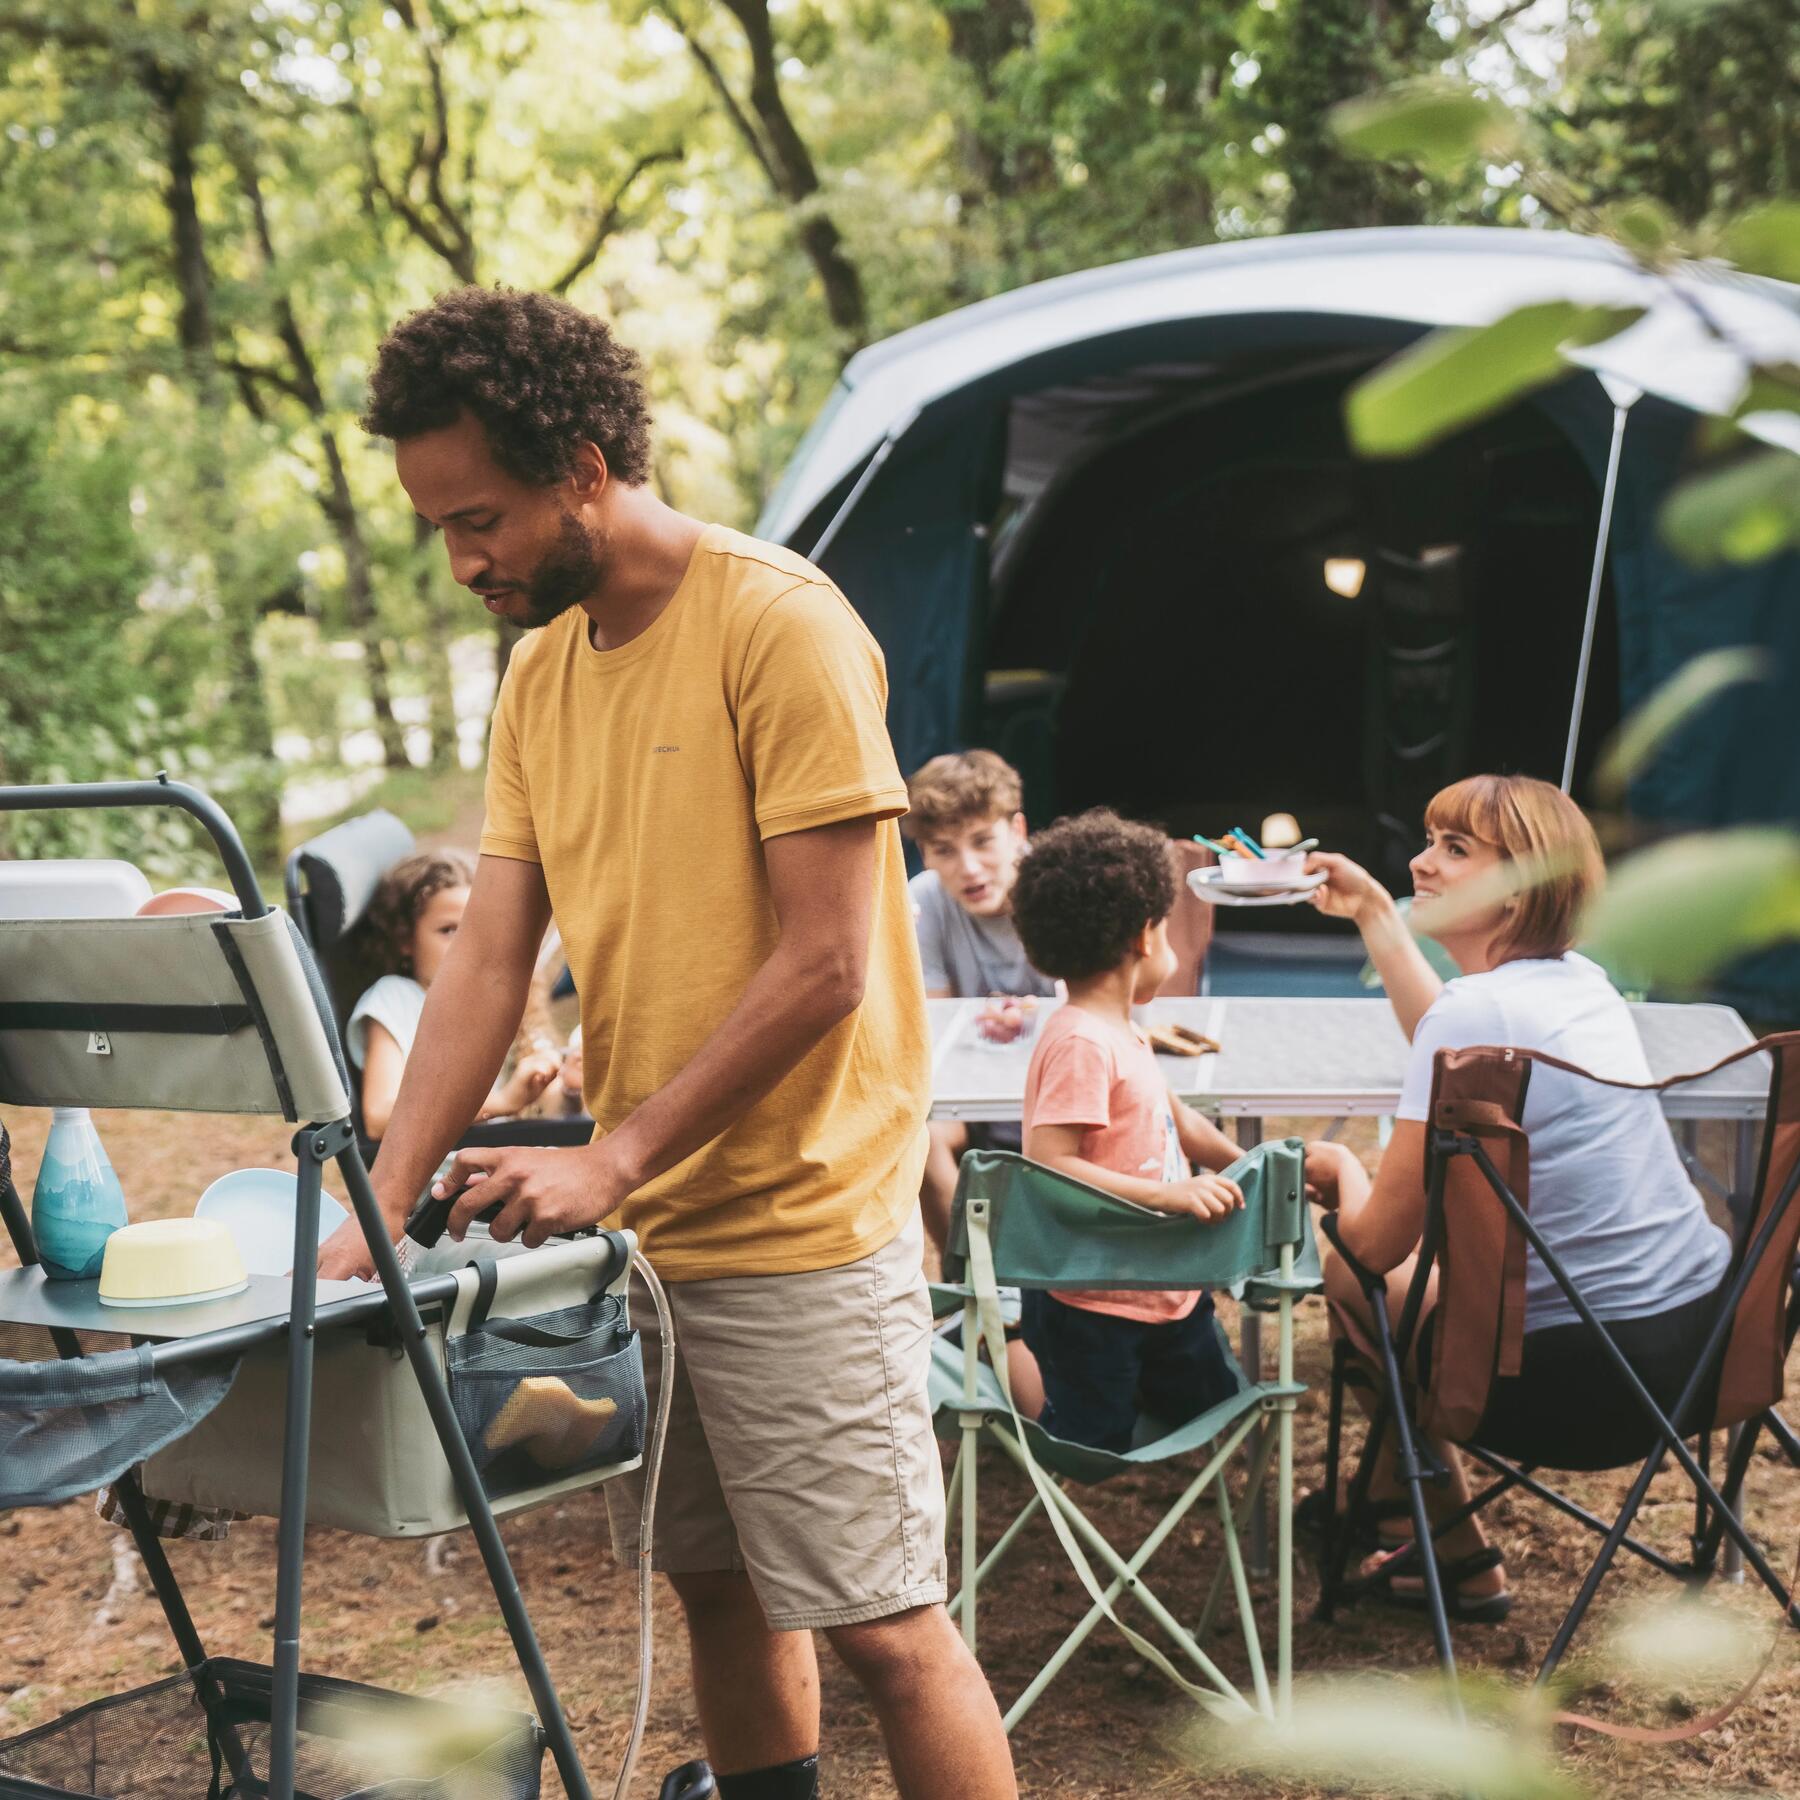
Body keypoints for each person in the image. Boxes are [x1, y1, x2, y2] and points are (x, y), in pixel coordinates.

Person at [317, 287, 1016, 1800]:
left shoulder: (779, 623)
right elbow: (487, 967)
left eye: (481, 517)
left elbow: (829, 961)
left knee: (890, 1631)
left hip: (805, 1219)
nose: (465, 561)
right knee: (719, 1589)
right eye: (437, 528)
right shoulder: (542, 677)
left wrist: (615, 1151)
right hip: (650, 1234)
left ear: (582, 463)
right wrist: (377, 1201)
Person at [1302, 773, 1732, 1620]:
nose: (1421, 864)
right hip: (1700, 1353)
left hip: (1564, 1387)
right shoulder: (1580, 983)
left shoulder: (1475, 1016)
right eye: (1428, 840)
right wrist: (1374, 915)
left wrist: (1340, 1171)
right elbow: (1461, 1031)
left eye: (1455, 850)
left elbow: (1374, 1246)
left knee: (1347, 1280)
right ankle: (1418, 1523)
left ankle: (1439, 1541)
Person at [1006, 808, 1248, 1452]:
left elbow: (1178, 1118)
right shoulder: (1081, 1040)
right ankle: (1007, 1365)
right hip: (1091, 1305)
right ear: (1146, 936)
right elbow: (1049, 1162)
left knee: (1211, 1410)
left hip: (1165, 1287)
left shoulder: (1124, 1029)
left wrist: (1245, 1163)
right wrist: (1169, 1197)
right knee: (1090, 1441)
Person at [901, 750, 1058, 1255]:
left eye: (983, 841)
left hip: (1061, 1096)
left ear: (1018, 829)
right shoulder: (923, 902)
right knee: (916, 1134)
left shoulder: (1062, 888)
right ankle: (981, 1293)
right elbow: (936, 1039)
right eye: (943, 849)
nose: (968, 867)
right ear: (923, 854)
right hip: (978, 1105)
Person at [347, 848, 560, 1138]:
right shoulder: (394, 1000)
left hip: (511, 1149)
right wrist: (502, 1103)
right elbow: (378, 1117)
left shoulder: (496, 997)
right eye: (448, 930)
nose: (467, 946)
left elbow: (546, 1109)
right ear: (405, 939)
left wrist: (565, 1087)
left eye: (477, 929)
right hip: (452, 1174)